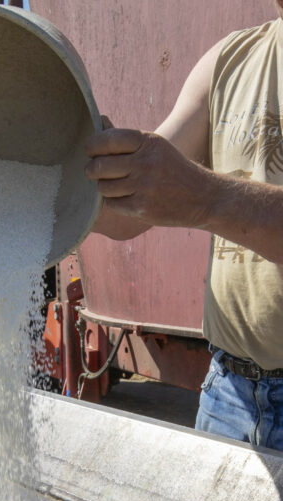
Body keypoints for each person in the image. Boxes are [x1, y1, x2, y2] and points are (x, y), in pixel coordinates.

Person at [85, 2, 283, 449]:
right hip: (229, 394)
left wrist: (204, 197)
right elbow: (129, 210)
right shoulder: (230, 60)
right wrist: (64, 192)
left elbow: (186, 191)